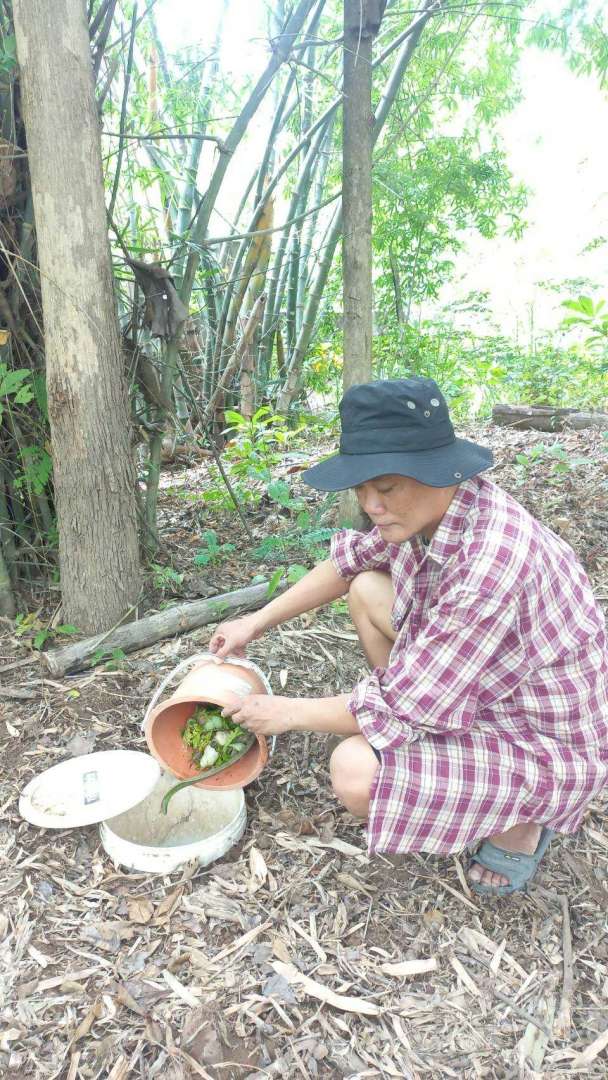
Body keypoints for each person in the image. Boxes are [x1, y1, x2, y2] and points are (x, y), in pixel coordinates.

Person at [209, 377, 608, 896]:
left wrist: (284, 712)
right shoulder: (436, 510)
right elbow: (347, 564)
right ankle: (426, 744)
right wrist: (255, 621)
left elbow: (403, 703)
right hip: (478, 683)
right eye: (362, 489)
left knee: (355, 770)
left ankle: (525, 821)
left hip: (542, 739)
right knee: (366, 588)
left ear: (437, 470)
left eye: (386, 488)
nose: (371, 505)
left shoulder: (489, 564)